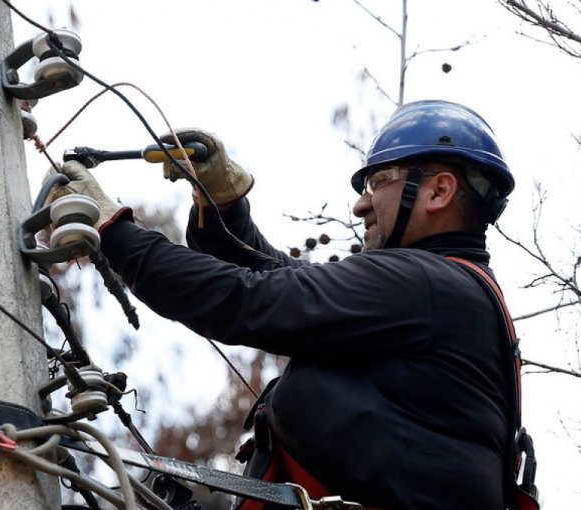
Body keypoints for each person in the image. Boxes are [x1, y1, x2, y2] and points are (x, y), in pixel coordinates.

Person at [47, 100, 537, 510]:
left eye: (379, 181)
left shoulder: (428, 283)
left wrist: (115, 232)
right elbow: (282, 281)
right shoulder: (439, 291)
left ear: (438, 190)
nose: (361, 205)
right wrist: (224, 206)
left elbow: (251, 299)